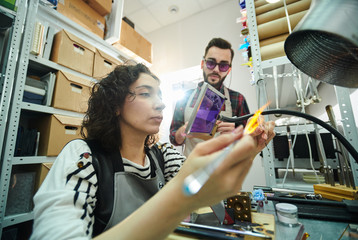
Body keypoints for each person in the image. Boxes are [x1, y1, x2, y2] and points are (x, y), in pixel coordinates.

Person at [31, 63, 275, 240]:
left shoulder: (162, 155)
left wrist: (249, 151)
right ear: (115, 105)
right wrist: (178, 197)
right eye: (146, 94)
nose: (161, 103)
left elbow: (210, 184)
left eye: (159, 95)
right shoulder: (84, 157)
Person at [170, 38, 250, 156]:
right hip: (191, 170)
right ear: (203, 64)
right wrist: (183, 132)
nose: (216, 70)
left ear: (228, 70)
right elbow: (174, 139)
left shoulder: (238, 99)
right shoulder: (185, 98)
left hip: (225, 170)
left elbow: (249, 142)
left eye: (223, 66)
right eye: (211, 63)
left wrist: (238, 134)